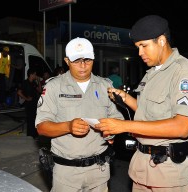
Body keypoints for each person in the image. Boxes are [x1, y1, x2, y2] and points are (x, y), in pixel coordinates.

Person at [94, 15, 188, 191]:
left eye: (144, 46)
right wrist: (126, 98)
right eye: (137, 47)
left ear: (161, 40)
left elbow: (181, 127)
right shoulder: (152, 73)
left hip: (169, 174)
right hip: (142, 168)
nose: (140, 53)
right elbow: (149, 112)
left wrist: (124, 126)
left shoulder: (184, 72)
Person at [35, 37, 124, 192]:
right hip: (66, 173)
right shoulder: (54, 87)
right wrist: (68, 126)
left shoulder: (105, 86)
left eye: (87, 60)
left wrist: (111, 132)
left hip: (99, 171)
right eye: (77, 60)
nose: (83, 65)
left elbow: (117, 119)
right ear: (67, 61)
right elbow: (42, 127)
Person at [17, 67, 42, 139]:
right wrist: (26, 98)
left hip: (35, 103)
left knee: (35, 119)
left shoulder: (34, 83)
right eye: (35, 74)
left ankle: (34, 134)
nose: (36, 76)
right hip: (29, 104)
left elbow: (40, 91)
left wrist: (38, 81)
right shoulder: (25, 82)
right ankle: (31, 134)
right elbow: (19, 92)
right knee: (30, 119)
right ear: (31, 75)